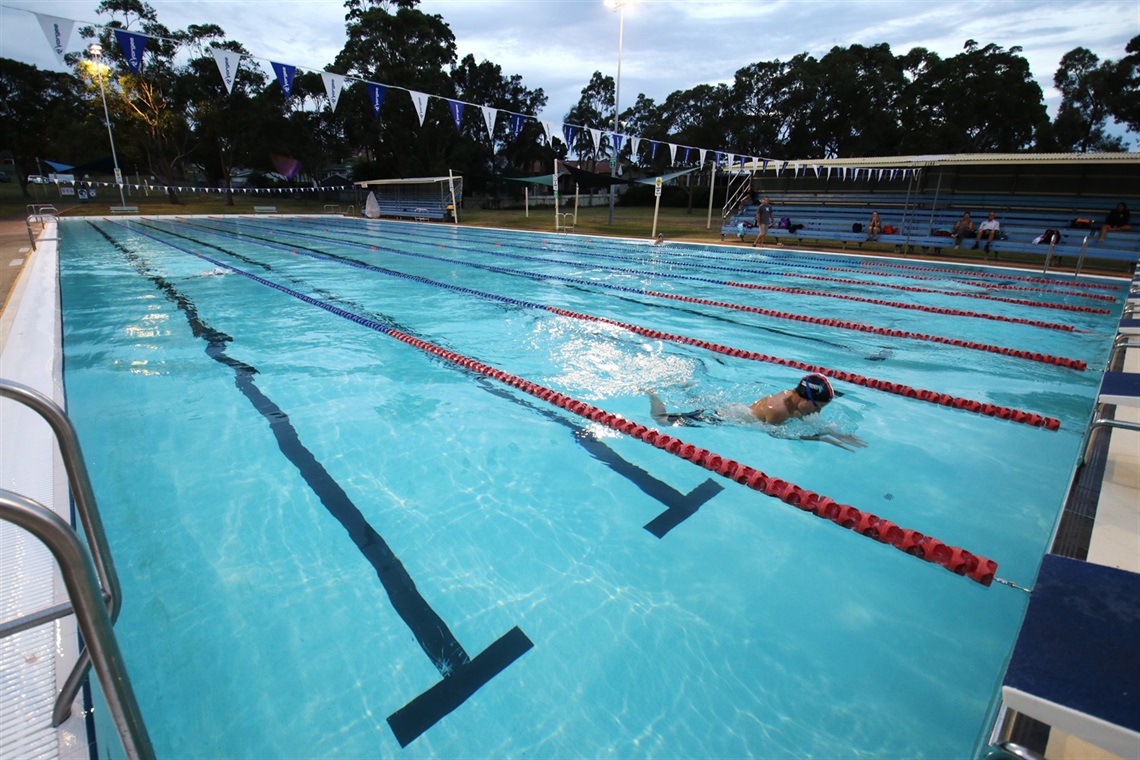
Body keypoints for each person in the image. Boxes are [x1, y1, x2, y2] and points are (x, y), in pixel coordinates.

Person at [648, 373, 867, 451]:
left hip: (733, 409)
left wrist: (833, 432)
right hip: (721, 418)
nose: (817, 411)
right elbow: (779, 434)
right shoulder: (778, 411)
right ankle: (652, 393)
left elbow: (803, 422)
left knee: (698, 401)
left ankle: (684, 385)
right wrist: (823, 438)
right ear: (806, 399)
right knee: (662, 421)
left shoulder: (794, 399)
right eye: (818, 407)